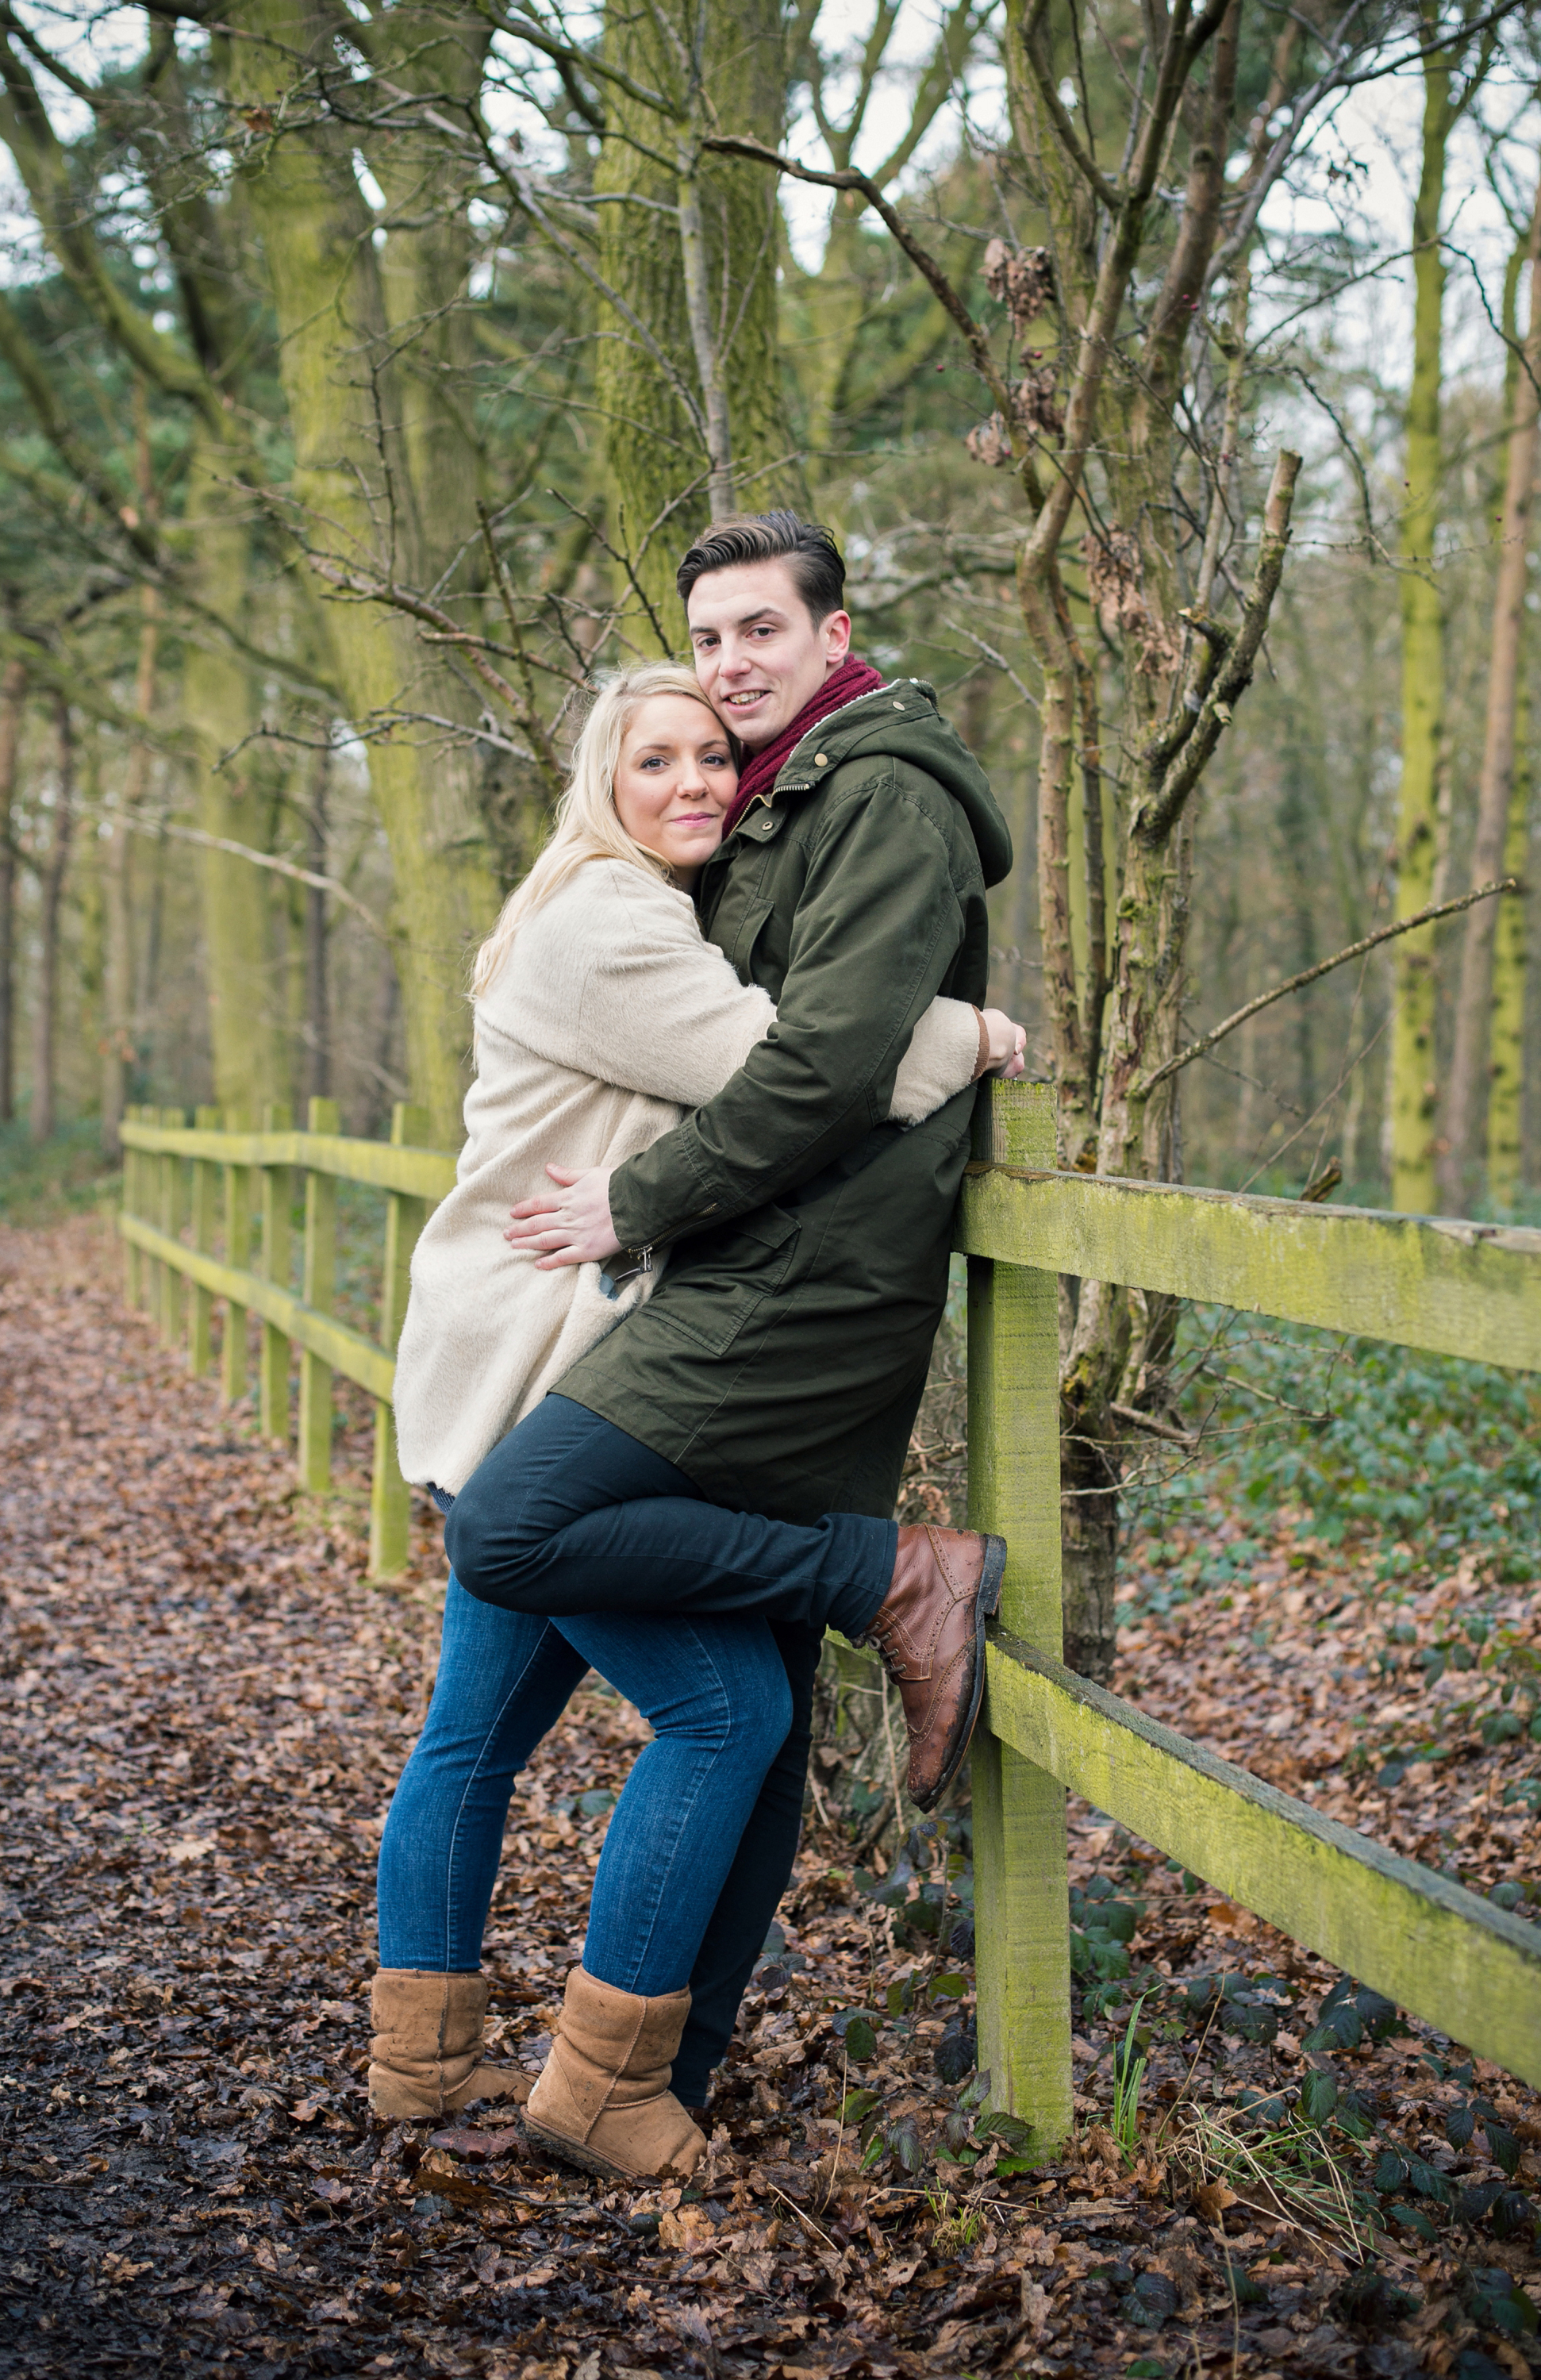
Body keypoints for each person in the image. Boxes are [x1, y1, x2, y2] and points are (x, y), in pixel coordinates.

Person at [371, 659, 1020, 2183]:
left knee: (473, 1736)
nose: (694, 784)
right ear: (599, 776)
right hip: (545, 1387)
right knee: (726, 1715)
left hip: (515, 1377)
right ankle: (605, 2091)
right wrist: (975, 1035)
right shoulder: (604, 924)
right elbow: (799, 1077)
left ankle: (423, 2070)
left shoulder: (632, 914)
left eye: (717, 760)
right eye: (655, 758)